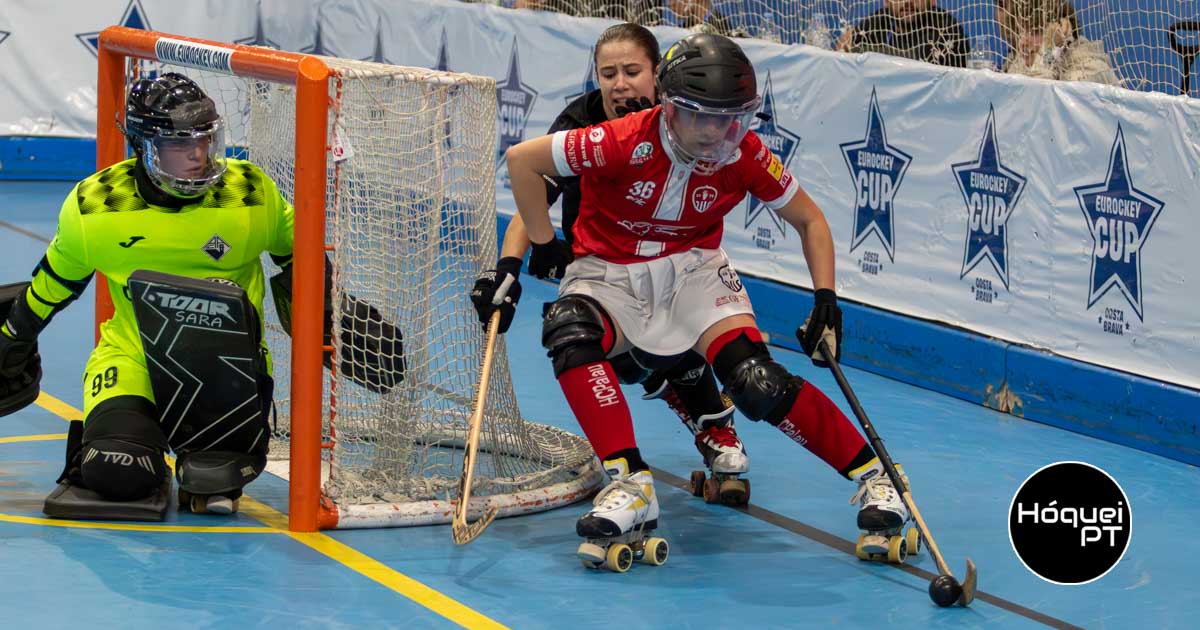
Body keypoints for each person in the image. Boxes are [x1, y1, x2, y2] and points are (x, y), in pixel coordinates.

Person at [502, 33, 910, 566]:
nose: (716, 132)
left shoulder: (742, 154)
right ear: (670, 108)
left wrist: (826, 298)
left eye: (730, 119)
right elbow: (521, 162)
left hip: (694, 272)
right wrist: (541, 241)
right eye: (701, 116)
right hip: (608, 271)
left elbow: (809, 219)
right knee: (570, 331)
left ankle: (878, 476)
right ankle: (631, 484)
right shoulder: (620, 139)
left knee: (756, 382)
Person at [0, 73, 401, 520]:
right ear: (144, 146)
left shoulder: (249, 192)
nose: (198, 155)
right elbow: (53, 285)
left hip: (227, 372)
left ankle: (191, 459)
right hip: (133, 362)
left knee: (216, 486)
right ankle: (134, 448)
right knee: (117, 474)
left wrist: (330, 319)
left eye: (206, 141)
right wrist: (12, 338)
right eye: (179, 144)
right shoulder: (96, 207)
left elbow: (299, 256)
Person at [471, 23, 749, 505]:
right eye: (608, 73)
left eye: (632, 71)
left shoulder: (687, 118)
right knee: (612, 355)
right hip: (600, 262)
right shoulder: (581, 122)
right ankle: (683, 434)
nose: (620, 83)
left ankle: (717, 430)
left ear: (659, 74)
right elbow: (533, 191)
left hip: (672, 258)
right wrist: (511, 265)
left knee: (669, 343)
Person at [997, 0, 1119, 85]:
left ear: (1062, 30)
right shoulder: (1020, 63)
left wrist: (1049, 50)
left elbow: (1035, 101)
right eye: (1020, 31)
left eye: (1034, 32)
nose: (1023, 41)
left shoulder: (1089, 70)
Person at [836, 0, 970, 68]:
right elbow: (845, 50)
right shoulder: (876, 23)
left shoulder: (946, 28)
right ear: (887, 2)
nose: (908, 2)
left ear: (933, 1)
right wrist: (846, 50)